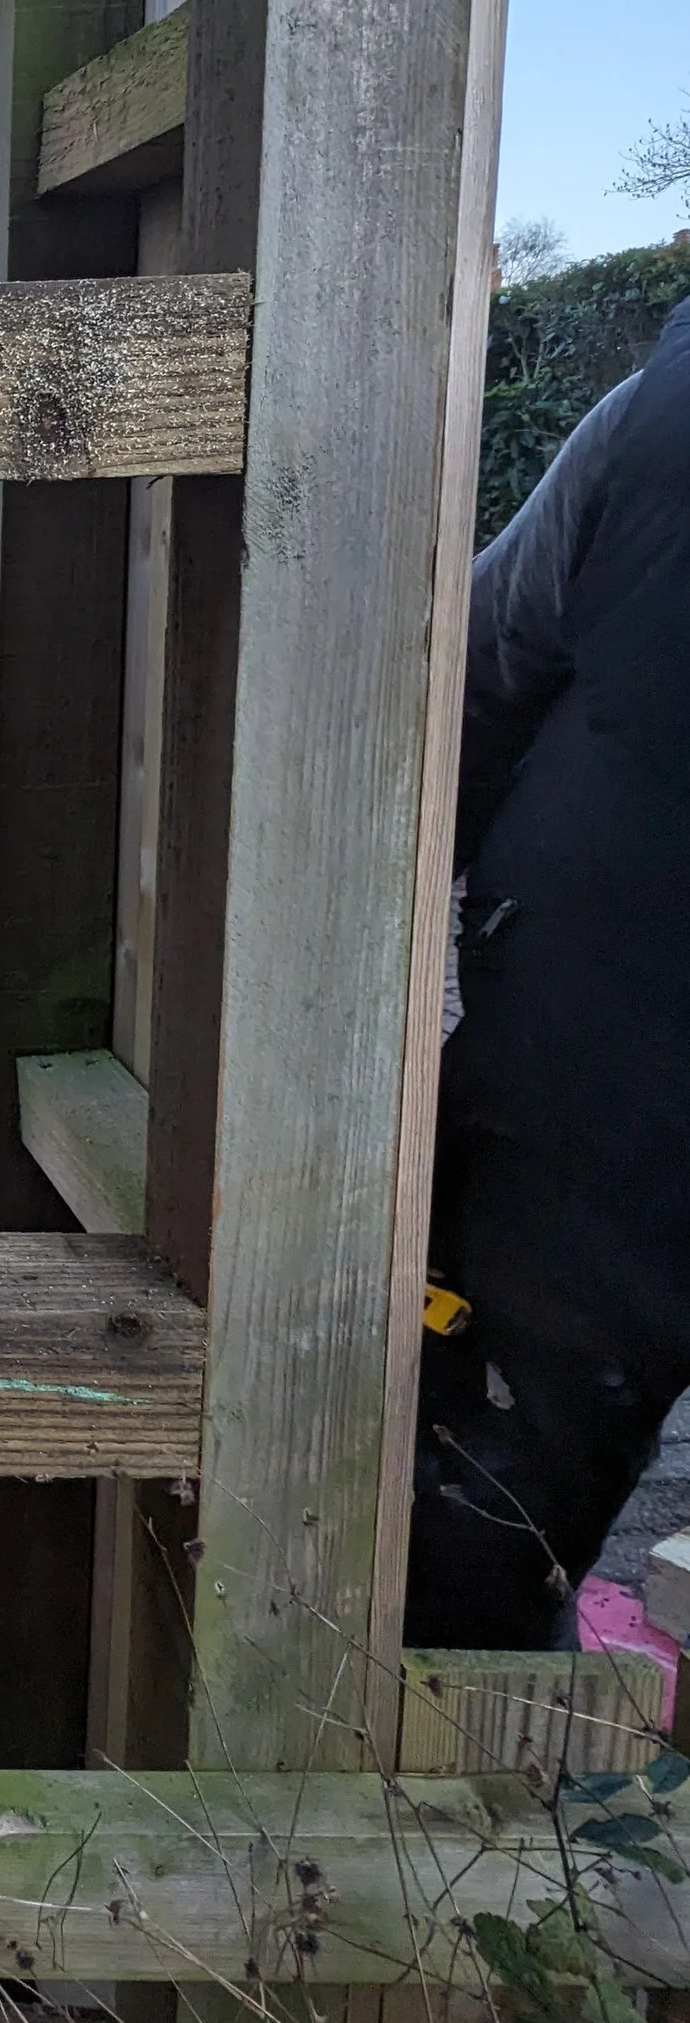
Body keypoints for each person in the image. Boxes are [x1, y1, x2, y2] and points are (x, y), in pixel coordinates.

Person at [404, 297, 690, 1649]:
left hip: (591, 1063)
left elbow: (474, 675)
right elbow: (475, 669)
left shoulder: (653, 421)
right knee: (475, 1509)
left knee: (471, 1516)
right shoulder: (655, 424)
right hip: (599, 1071)